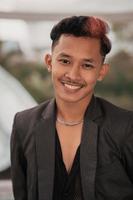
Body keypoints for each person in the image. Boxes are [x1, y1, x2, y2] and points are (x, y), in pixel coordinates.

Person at [10, 16, 133, 200]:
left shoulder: (125, 126)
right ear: (50, 62)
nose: (73, 75)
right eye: (65, 61)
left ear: (101, 71)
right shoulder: (24, 124)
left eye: (87, 65)